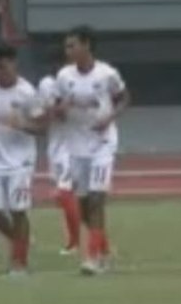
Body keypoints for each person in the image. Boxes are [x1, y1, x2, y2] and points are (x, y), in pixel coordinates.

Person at [55, 25, 129, 276]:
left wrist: (110, 118)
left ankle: (92, 257)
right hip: (76, 146)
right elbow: (57, 107)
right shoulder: (64, 76)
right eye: (67, 46)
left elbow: (124, 97)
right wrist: (61, 109)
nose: (68, 50)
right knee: (84, 204)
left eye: (72, 45)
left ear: (86, 45)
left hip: (103, 144)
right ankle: (104, 248)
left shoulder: (106, 73)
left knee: (97, 198)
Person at [0, 44, 45, 275]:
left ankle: (19, 262)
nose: (0, 72)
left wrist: (24, 125)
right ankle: (21, 241)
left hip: (21, 161)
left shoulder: (26, 93)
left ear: (14, 64)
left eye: (4, 66)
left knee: (18, 210)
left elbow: (42, 127)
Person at [39, 46, 80, 256]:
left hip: (75, 146)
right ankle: (80, 238)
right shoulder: (48, 84)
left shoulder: (81, 82)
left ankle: (75, 242)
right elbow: (56, 113)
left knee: (65, 193)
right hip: (56, 144)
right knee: (63, 196)